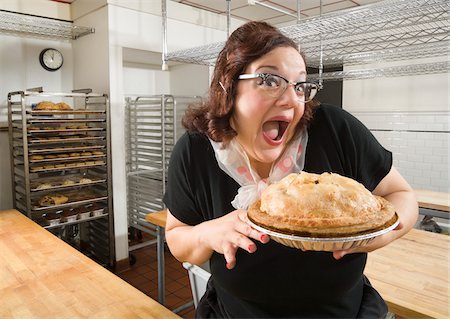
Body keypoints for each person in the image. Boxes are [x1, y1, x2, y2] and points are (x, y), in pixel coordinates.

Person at [163, 21, 418, 318]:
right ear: (228, 84)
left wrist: (379, 236)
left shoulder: (336, 130)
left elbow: (401, 194)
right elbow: (177, 237)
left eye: (300, 85)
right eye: (270, 80)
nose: (291, 99)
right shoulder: (195, 152)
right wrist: (207, 234)